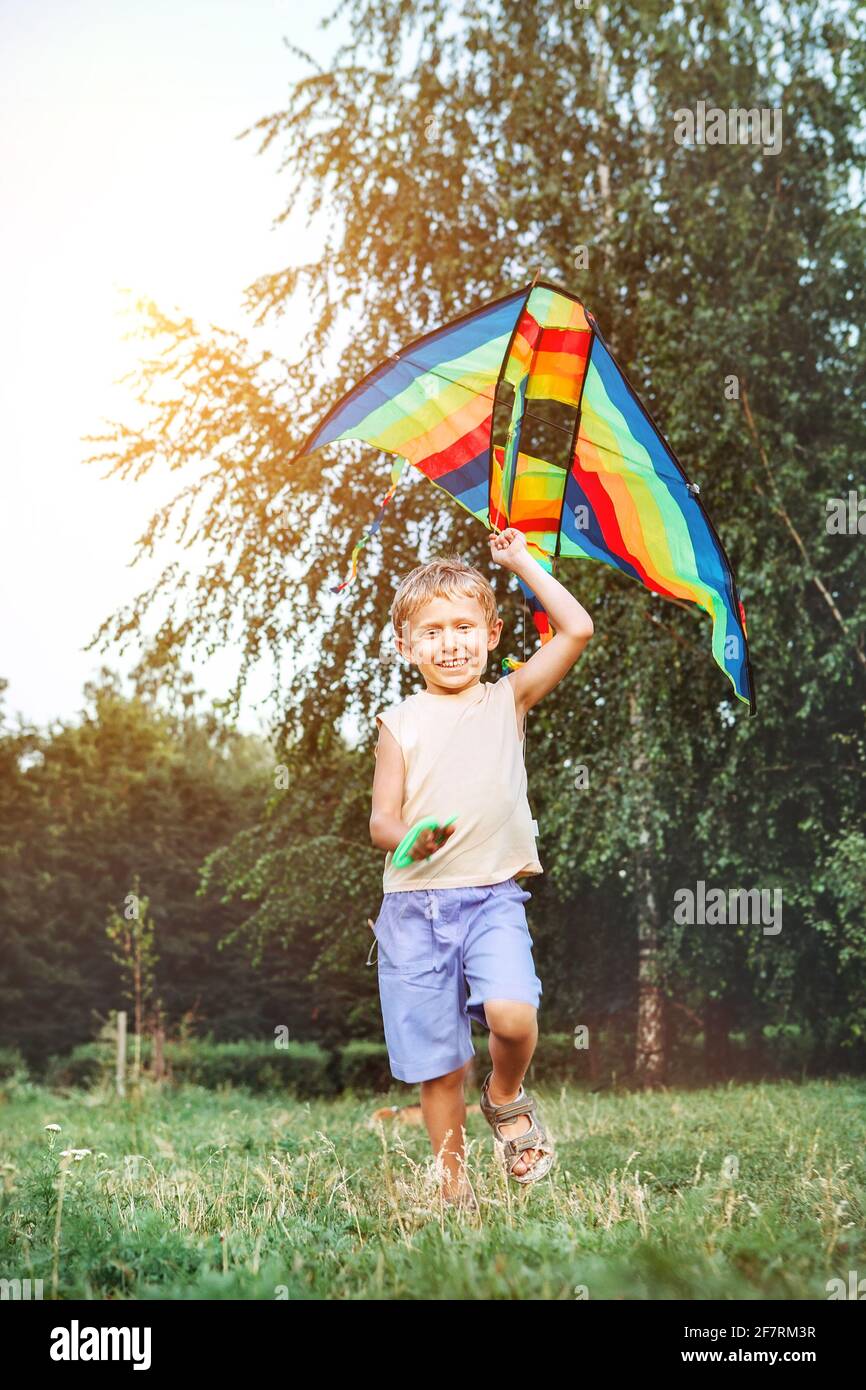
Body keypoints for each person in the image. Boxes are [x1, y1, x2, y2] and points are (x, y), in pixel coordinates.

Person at [369, 527, 594, 1205]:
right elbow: (382, 820)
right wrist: (412, 840)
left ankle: (505, 1097)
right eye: (432, 631)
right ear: (407, 646)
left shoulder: (507, 700)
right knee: (438, 1068)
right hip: (414, 910)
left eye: (464, 626)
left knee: (514, 1016)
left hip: (493, 899)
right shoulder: (398, 722)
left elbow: (577, 628)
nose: (451, 642)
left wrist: (521, 560)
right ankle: (453, 1190)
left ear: (493, 633)